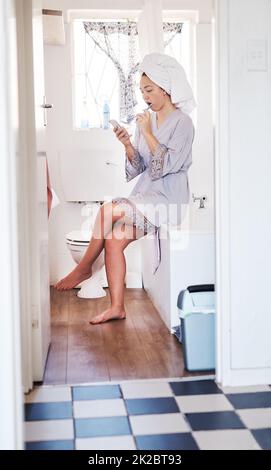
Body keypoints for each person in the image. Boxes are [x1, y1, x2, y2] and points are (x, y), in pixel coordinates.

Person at [54, 52, 196, 324]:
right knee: (114, 240)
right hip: (147, 198)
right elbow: (140, 168)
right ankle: (117, 307)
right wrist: (128, 144)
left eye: (150, 90)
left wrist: (149, 134)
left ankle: (83, 268)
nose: (145, 96)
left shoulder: (183, 123)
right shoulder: (147, 121)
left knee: (109, 209)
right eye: (142, 91)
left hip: (168, 200)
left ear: (166, 88)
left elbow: (163, 166)